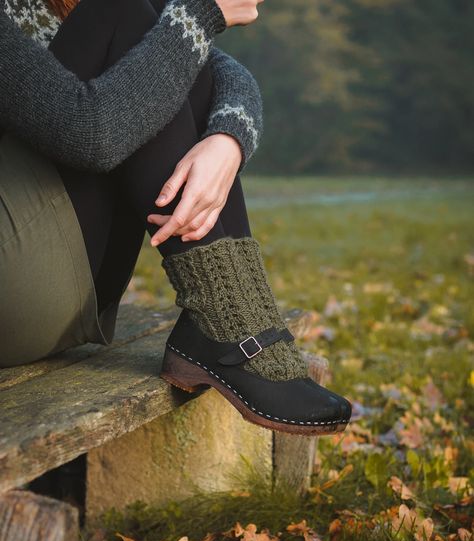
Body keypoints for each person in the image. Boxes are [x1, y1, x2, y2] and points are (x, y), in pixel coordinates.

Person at [0, 0, 351, 435]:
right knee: (134, 18)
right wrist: (202, 14)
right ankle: (233, 329)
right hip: (16, 284)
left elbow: (214, 69)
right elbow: (91, 133)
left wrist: (228, 139)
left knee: (162, 41)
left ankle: (233, 323)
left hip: (69, 279)